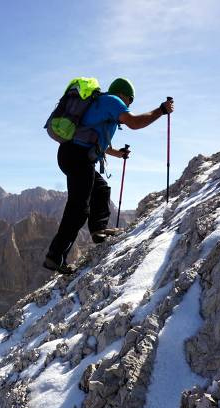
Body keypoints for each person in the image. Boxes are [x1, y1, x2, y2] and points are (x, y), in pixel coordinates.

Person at [43, 77, 174, 274]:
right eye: (130, 101)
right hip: (78, 157)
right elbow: (135, 123)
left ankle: (98, 230)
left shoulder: (100, 104)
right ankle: (55, 257)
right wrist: (161, 111)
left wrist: (118, 153)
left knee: (101, 188)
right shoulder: (113, 102)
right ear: (125, 96)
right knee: (79, 208)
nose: (128, 105)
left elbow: (94, 138)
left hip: (71, 154)